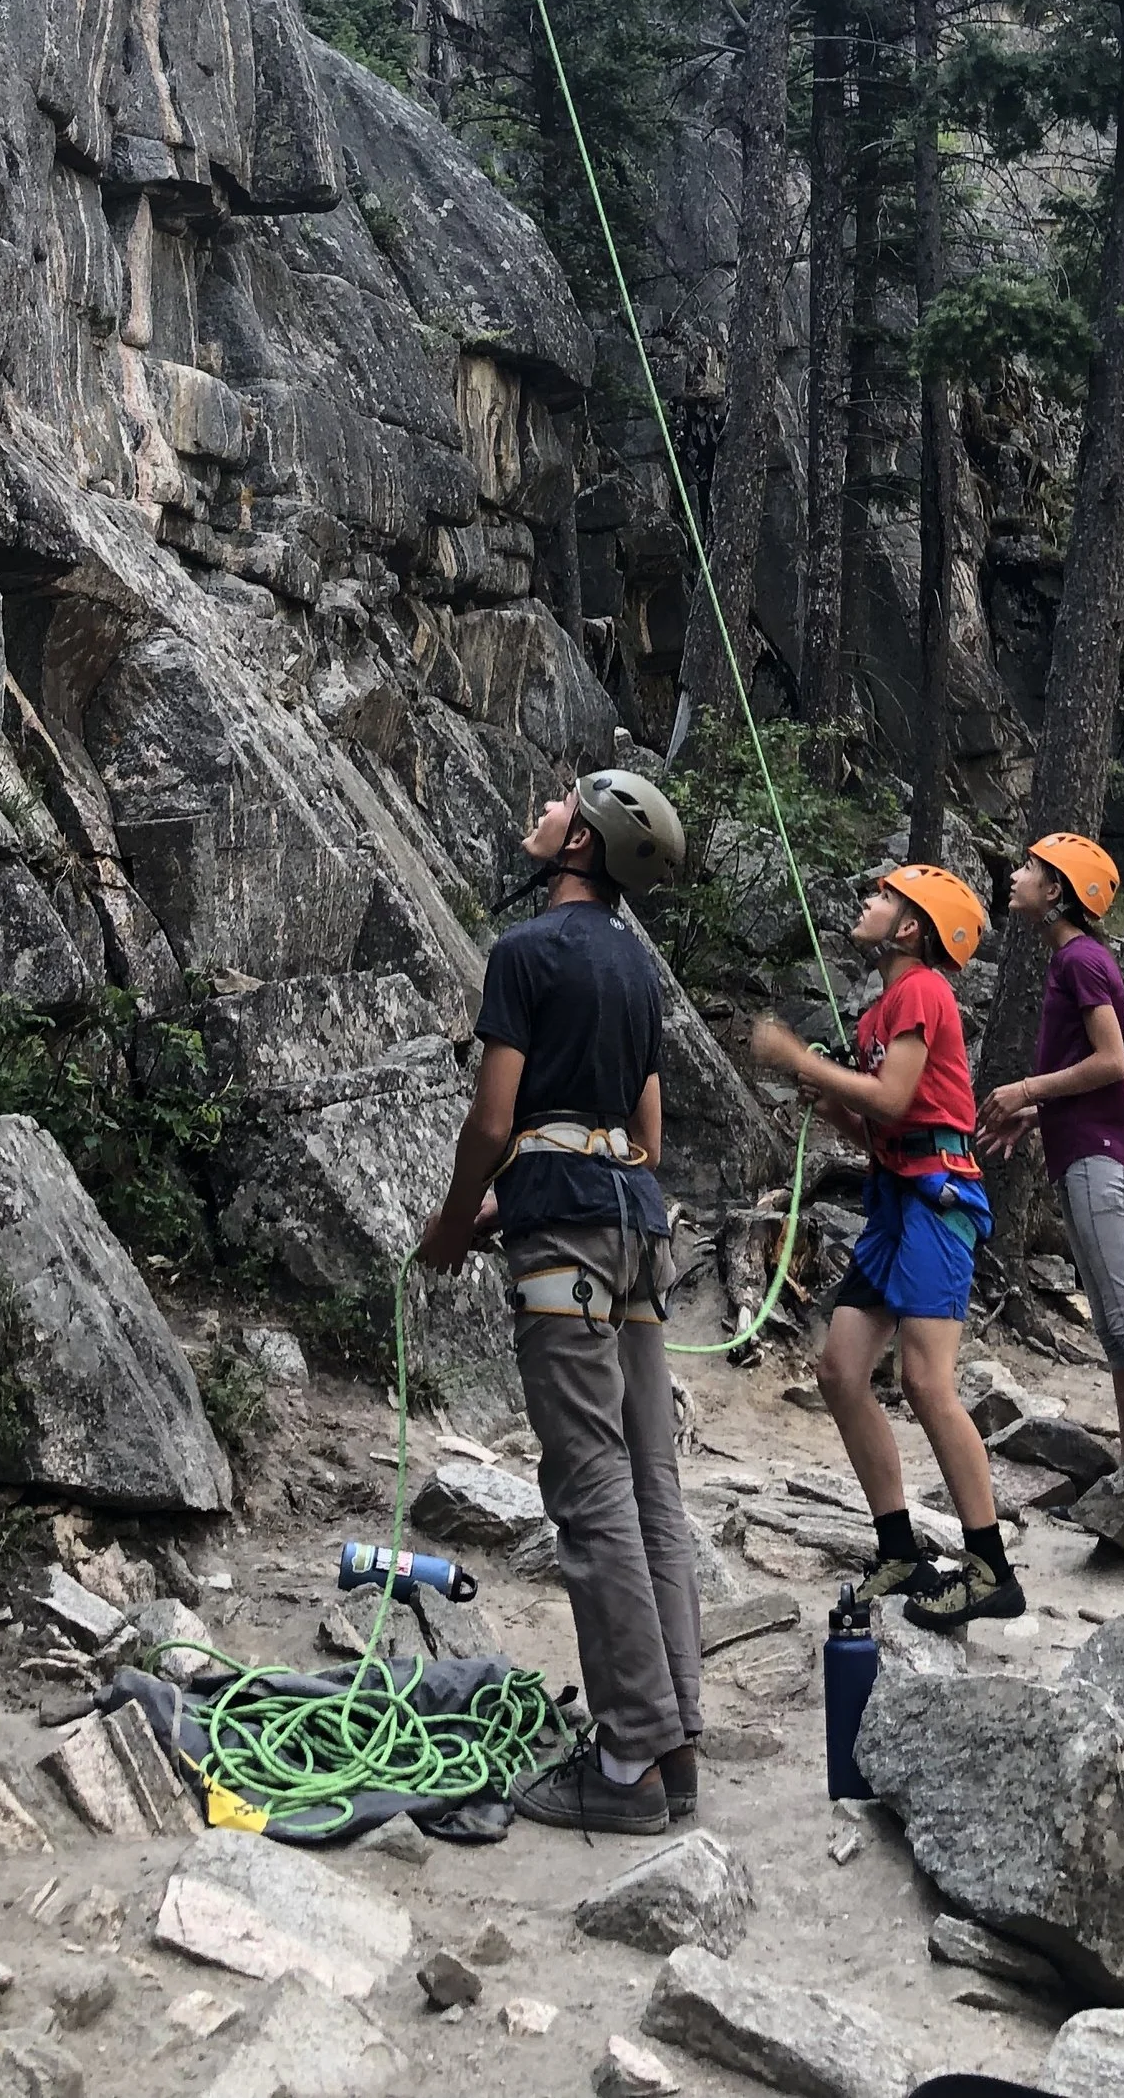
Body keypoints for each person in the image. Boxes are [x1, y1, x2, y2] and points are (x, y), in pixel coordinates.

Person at [420, 766, 699, 1835]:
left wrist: (457, 1221)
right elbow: (647, 1139)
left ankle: (625, 1762)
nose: (540, 809)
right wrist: (521, 1205)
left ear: (579, 844)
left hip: (567, 1243)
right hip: (634, 1231)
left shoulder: (526, 952)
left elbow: (495, 1122)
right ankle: (672, 1745)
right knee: (651, 1488)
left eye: (559, 805)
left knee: (589, 1495)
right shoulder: (636, 967)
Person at [750, 863, 1025, 1632]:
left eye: (882, 896)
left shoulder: (922, 991)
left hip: (937, 1201)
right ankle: (899, 1548)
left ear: (910, 927)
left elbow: (901, 1099)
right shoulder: (882, 1012)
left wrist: (801, 1060)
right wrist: (835, 1103)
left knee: (926, 1379)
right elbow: (882, 1124)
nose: (866, 901)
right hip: (897, 1199)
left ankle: (990, 1565)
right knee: (839, 1368)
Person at [978, 830, 1124, 1452]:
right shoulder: (1074, 959)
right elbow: (1094, 1081)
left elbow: (1111, 1061)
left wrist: (1025, 1091)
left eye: (1031, 867)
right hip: (1085, 1151)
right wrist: (1035, 1116)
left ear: (1057, 891)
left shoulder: (1080, 960)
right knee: (1117, 1326)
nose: (1017, 874)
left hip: (1096, 1160)